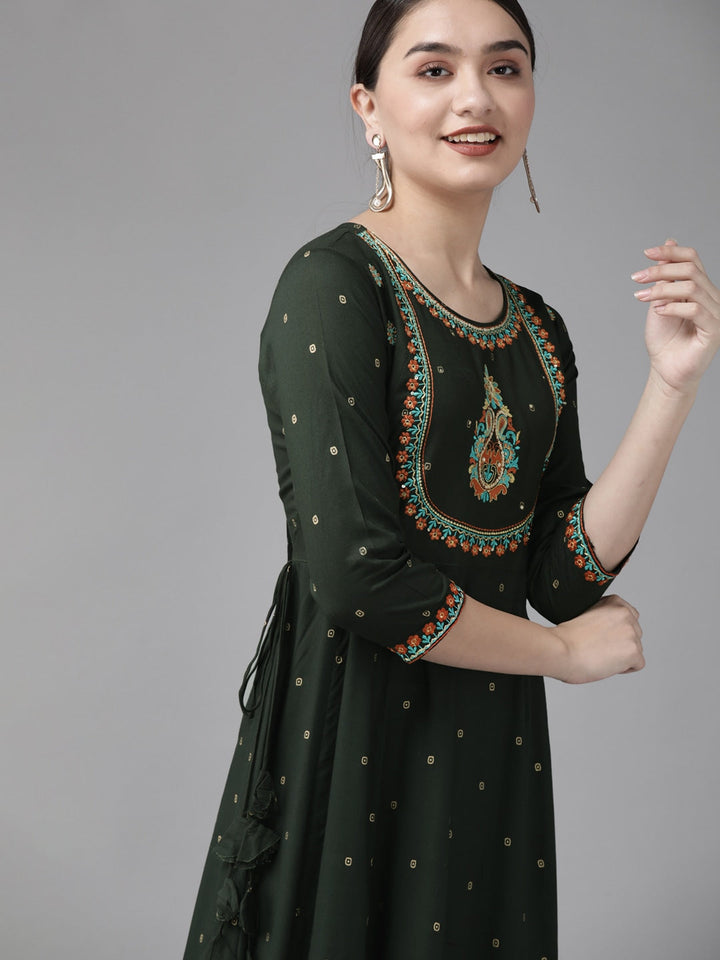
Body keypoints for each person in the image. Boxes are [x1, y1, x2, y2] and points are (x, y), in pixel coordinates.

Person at [183, 1, 720, 957]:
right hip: (353, 737)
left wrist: (671, 386)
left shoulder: (536, 328)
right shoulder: (333, 285)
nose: (476, 97)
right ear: (368, 106)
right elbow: (358, 575)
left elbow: (559, 575)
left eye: (505, 68)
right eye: (435, 70)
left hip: (490, 749)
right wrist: (559, 656)